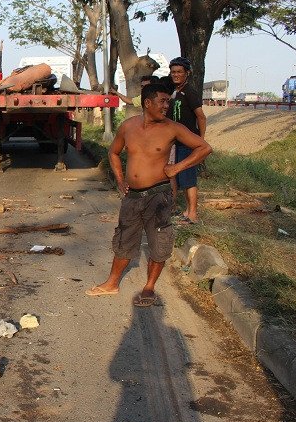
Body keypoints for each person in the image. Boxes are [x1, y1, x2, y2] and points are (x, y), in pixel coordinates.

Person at [85, 83, 212, 306]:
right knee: (124, 239)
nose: (167, 105)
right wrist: (121, 180)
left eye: (168, 101)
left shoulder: (173, 128)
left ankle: (149, 286)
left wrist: (177, 168)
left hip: (159, 195)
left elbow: (204, 147)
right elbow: (114, 153)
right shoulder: (128, 126)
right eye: (162, 101)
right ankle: (112, 283)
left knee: (159, 243)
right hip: (132, 196)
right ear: (147, 103)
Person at [166, 57, 207, 224]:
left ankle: (193, 215)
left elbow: (201, 117)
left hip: (188, 142)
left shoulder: (189, 92)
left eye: (179, 72)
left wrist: (199, 141)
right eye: (173, 71)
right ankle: (187, 212)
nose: (175, 74)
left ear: (187, 73)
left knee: (189, 179)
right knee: (181, 177)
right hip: (176, 142)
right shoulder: (174, 91)